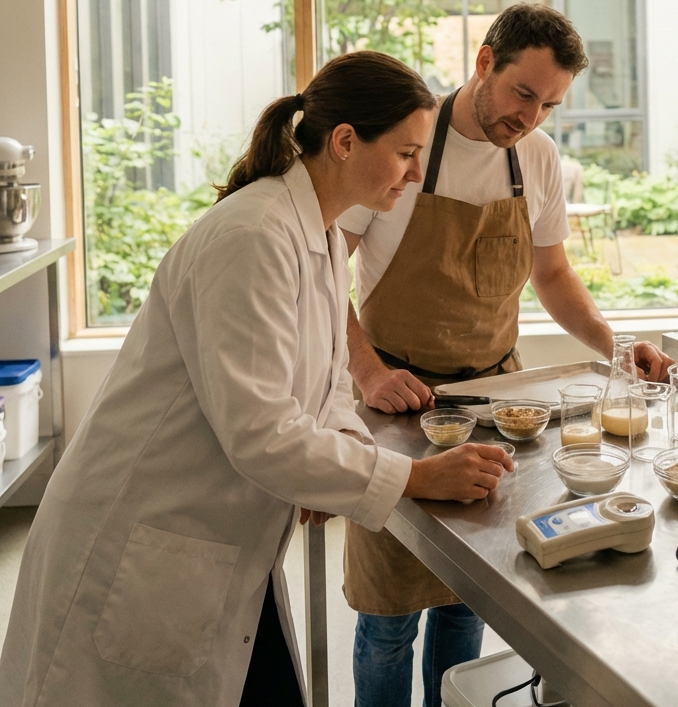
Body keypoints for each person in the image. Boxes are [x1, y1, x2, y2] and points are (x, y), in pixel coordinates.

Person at [0, 51, 513, 707]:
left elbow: (325, 389)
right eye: (407, 153)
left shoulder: (320, 237)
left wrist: (344, 467)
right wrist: (411, 476)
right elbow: (261, 434)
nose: (417, 174)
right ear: (346, 141)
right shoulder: (253, 235)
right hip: (140, 546)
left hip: (213, 548)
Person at [340, 3, 674, 707]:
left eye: (550, 104)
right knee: (390, 615)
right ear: (485, 61)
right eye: (525, 94)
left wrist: (621, 353)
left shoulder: (537, 159)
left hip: (499, 407)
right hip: (401, 410)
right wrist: (367, 370)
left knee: (469, 599)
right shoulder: (407, 143)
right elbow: (320, 276)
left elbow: (551, 276)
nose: (531, 117)